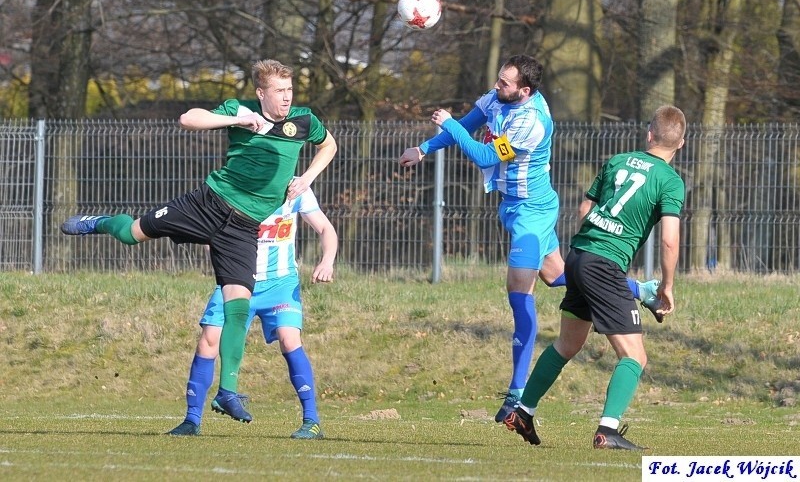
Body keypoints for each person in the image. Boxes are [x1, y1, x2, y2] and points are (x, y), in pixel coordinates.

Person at [61, 59, 337, 423]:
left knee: (237, 302)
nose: (286, 98)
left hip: (243, 227)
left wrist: (308, 178)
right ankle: (100, 222)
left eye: (289, 91)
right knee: (133, 235)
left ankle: (227, 392)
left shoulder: (302, 120)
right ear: (261, 93)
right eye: (278, 92)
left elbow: (328, 145)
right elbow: (189, 119)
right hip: (208, 204)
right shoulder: (241, 111)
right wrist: (236, 119)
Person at [399, 54, 661, 423]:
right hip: (512, 207)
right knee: (555, 276)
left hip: (533, 213)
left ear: (524, 90)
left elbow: (485, 153)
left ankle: (516, 394)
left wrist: (450, 125)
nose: (496, 86)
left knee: (519, 295)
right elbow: (472, 121)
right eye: (498, 79)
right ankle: (639, 289)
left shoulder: (532, 122)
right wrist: (424, 148)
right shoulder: (499, 96)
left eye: (504, 83)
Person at [503, 104, 686, 450]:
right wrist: (667, 286)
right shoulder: (670, 181)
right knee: (635, 357)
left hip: (578, 256)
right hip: (604, 266)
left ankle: (523, 410)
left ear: (649, 134)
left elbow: (585, 209)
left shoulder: (618, 161)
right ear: (681, 143)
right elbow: (669, 239)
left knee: (567, 345)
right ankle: (608, 430)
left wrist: (594, 243)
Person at [167, 186, 337, 438]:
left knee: (290, 339)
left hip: (280, 284)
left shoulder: (295, 188)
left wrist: (327, 261)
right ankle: (191, 420)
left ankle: (311, 421)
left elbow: (325, 228)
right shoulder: (235, 185)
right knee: (208, 342)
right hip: (237, 280)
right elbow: (210, 231)